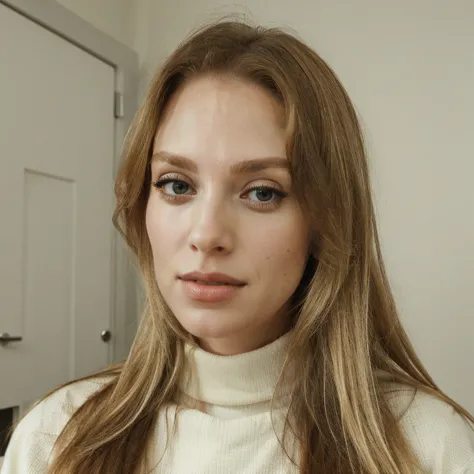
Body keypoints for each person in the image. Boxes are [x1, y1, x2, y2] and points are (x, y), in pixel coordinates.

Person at [2, 19, 473, 474]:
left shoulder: (430, 449)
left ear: (326, 221)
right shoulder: (55, 437)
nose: (207, 235)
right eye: (176, 185)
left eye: (262, 192)